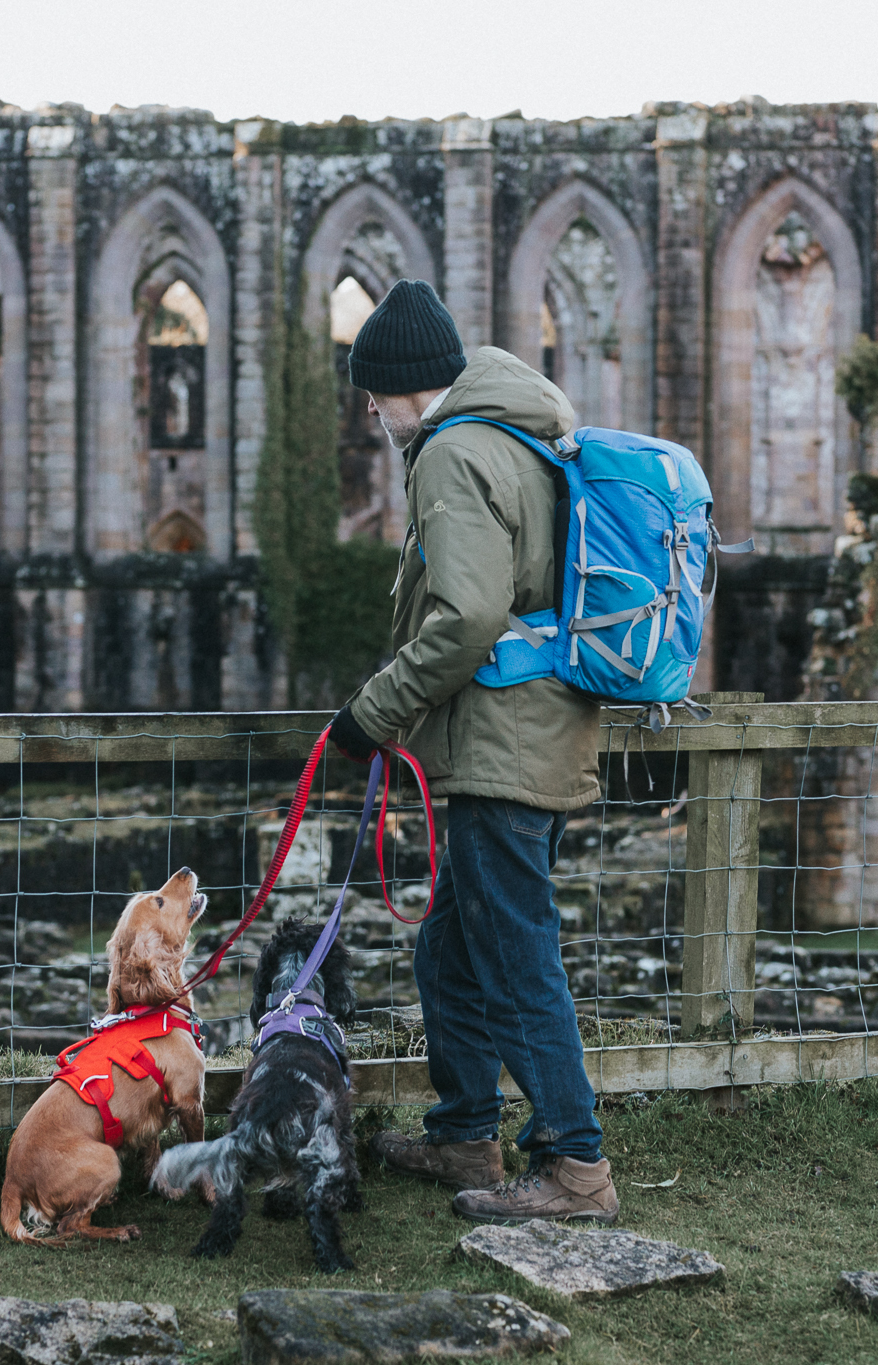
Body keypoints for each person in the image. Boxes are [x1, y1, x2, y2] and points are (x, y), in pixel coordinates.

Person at [326, 279, 616, 1225]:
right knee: (452, 951)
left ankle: (575, 1169)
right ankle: (464, 1132)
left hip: (505, 743)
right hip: (533, 729)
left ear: (409, 387)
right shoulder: (516, 431)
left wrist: (371, 714)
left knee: (517, 957)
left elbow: (468, 618)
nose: (370, 410)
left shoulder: (452, 455)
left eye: (375, 392)